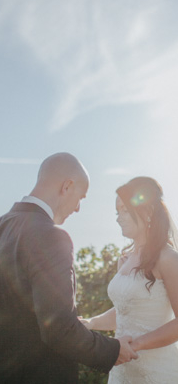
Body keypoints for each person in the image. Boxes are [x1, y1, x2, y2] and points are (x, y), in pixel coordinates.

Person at [0, 153, 137, 384]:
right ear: (67, 186)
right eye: (81, 197)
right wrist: (113, 350)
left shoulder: (3, 226)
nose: (78, 209)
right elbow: (59, 329)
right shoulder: (51, 237)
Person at [81, 176, 178, 383]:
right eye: (117, 211)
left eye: (125, 210)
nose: (118, 218)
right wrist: (91, 322)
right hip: (124, 370)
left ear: (147, 212)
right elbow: (125, 311)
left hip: (160, 372)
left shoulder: (168, 259)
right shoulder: (124, 260)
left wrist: (135, 345)